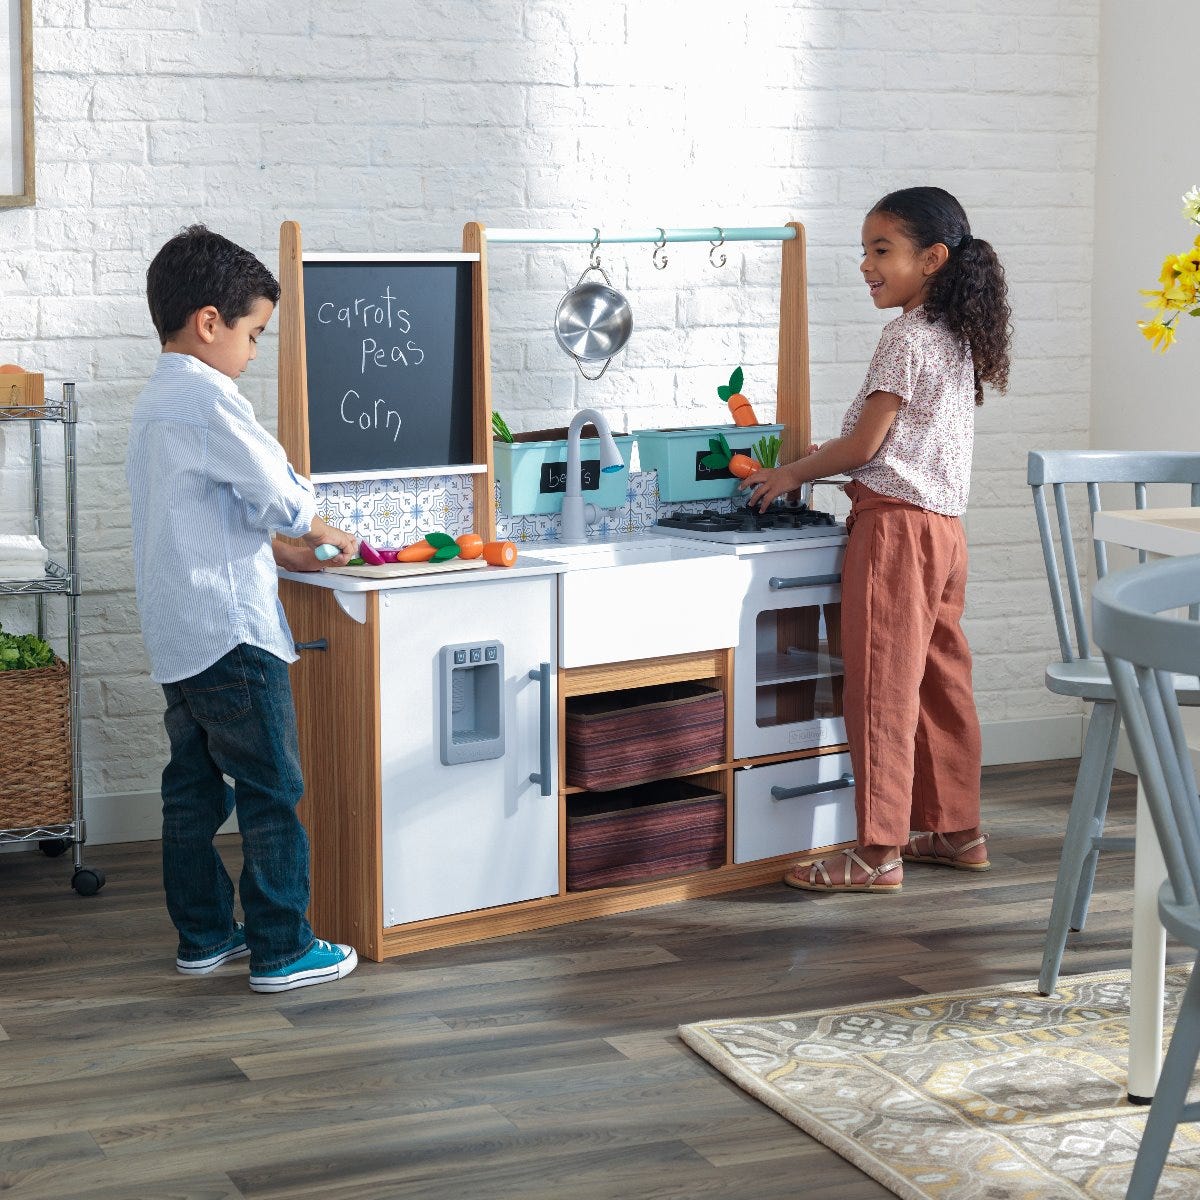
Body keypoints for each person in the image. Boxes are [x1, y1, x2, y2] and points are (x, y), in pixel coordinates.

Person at [743, 186, 1011, 893]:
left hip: (894, 530)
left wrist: (791, 472)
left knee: (880, 688)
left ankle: (878, 851)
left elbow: (867, 444)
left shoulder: (903, 337)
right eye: (863, 250)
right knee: (941, 683)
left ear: (932, 258)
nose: (866, 264)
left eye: (881, 250)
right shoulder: (954, 335)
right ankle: (958, 830)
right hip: (945, 532)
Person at [127, 224, 362, 989]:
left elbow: (201, 518)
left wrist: (283, 548)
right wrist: (315, 524)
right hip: (233, 635)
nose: (255, 353)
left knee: (192, 791)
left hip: (179, 631)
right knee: (271, 789)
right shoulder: (209, 400)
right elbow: (276, 492)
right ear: (208, 323)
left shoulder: (156, 401)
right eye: (254, 334)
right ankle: (283, 947)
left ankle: (203, 935)